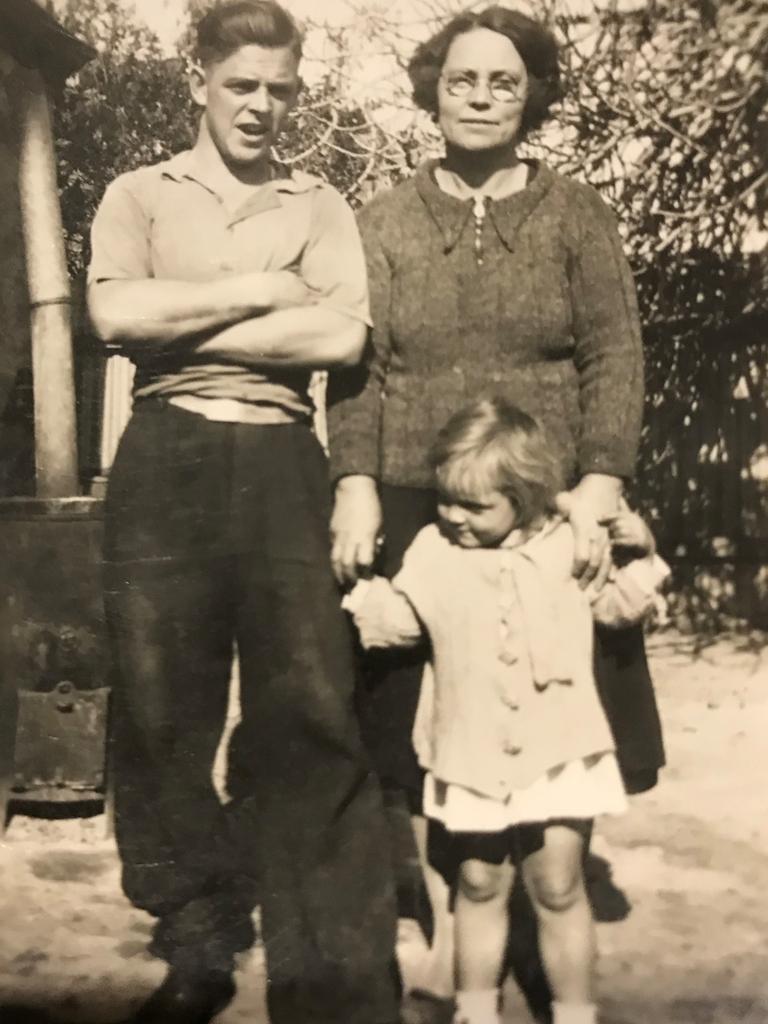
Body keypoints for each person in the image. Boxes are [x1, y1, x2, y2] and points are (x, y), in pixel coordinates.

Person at [327, 5, 665, 1018]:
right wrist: (352, 483)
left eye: (503, 81)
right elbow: (360, 368)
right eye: (461, 79)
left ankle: (553, 894)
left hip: (548, 505)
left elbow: (616, 355)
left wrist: (600, 484)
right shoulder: (381, 220)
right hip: (413, 498)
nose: (479, 97)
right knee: (418, 733)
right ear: (431, 90)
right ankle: (454, 933)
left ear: (534, 96)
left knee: (562, 710)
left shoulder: (577, 214)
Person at [87, 4, 400, 1023]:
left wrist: (191, 314)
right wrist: (262, 290)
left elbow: (341, 340)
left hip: (279, 461)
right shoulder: (139, 193)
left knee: (309, 703)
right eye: (241, 86)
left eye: (279, 89)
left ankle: (330, 971)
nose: (261, 106)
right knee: (161, 709)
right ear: (200, 81)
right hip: (164, 456)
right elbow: (114, 316)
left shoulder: (323, 205)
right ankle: (198, 941)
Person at [343, 397, 669, 1024]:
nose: (453, 517)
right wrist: (360, 589)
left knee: (558, 885)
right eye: (445, 501)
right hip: (469, 751)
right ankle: (476, 1009)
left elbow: (619, 610)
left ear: (523, 496)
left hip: (560, 750)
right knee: (478, 884)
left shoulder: (571, 550)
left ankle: (576, 1012)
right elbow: (402, 623)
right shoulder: (433, 553)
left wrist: (644, 553)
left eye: (474, 506)